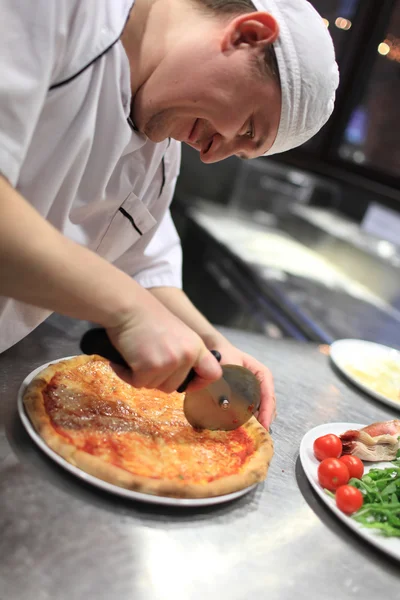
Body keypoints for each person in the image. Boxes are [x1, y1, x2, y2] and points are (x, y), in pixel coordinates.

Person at [0, 0, 338, 430]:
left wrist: (212, 345)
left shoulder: (160, 155)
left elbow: (140, 264)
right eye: (249, 128)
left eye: (243, 149)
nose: (214, 155)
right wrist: (129, 312)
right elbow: (129, 296)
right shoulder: (57, 11)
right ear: (248, 35)